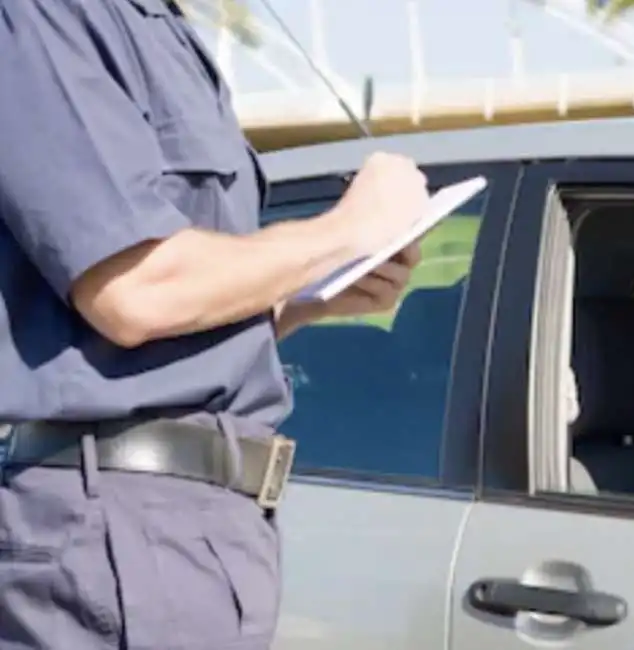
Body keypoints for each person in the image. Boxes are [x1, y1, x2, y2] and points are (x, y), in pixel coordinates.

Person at [0, 1, 429, 648]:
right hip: (115, 528)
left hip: (193, 528)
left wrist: (311, 295)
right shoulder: (50, 15)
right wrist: (342, 232)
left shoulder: (163, 30)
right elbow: (133, 293)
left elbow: (166, 325)